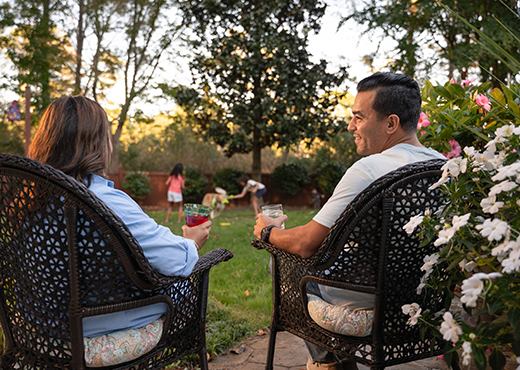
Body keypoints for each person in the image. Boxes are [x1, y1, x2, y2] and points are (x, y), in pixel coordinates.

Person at [253, 72, 446, 370]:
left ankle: (328, 361)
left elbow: (305, 244)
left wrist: (268, 232)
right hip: (425, 304)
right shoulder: (445, 167)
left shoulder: (368, 170)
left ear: (391, 123)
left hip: (367, 306)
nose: (350, 126)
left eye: (358, 117)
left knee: (279, 262)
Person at [28, 95, 212, 366]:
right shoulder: (104, 201)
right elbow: (175, 261)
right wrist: (191, 243)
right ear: (98, 144)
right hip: (96, 332)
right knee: (184, 286)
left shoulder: (24, 199)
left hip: (36, 328)